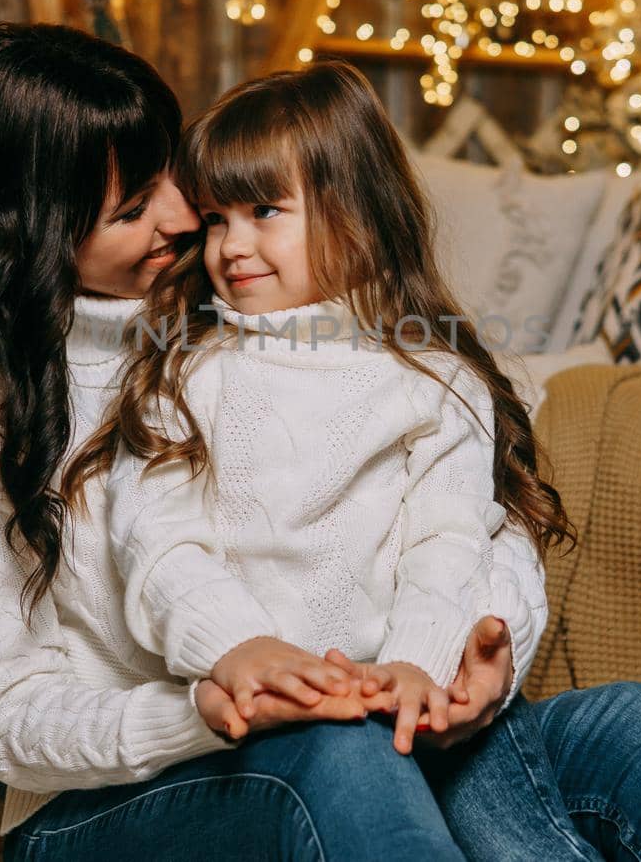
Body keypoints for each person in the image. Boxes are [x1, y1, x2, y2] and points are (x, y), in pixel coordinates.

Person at [0, 22, 641, 861]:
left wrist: (477, 665)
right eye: (133, 207)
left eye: (173, 182)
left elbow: (468, 519)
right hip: (107, 807)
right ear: (28, 231)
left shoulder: (231, 302)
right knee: (340, 749)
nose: (189, 221)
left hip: (361, 718)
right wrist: (203, 709)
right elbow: (12, 713)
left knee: (626, 723)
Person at [62, 60, 572, 767]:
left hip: (395, 704)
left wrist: (413, 665)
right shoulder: (183, 372)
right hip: (250, 722)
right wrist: (235, 646)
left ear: (357, 212)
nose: (230, 246)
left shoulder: (437, 380)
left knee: (629, 722)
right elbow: (157, 538)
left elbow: (447, 541)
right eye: (216, 218)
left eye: (263, 211)